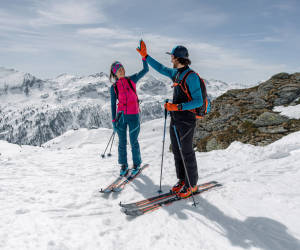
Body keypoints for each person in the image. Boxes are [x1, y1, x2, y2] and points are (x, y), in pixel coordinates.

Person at [136, 40, 205, 198]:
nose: (170, 60)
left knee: (186, 151)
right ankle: (182, 180)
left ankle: (191, 184)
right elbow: (160, 68)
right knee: (176, 150)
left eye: (172, 57)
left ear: (177, 58)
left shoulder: (191, 76)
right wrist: (146, 56)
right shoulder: (176, 73)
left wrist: (177, 107)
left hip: (187, 119)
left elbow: (198, 101)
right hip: (176, 118)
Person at [109, 58, 149, 177]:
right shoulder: (114, 87)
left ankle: (136, 164)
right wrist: (113, 121)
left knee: (133, 141)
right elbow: (112, 104)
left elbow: (146, 69)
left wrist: (143, 57)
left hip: (133, 116)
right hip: (120, 117)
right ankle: (124, 165)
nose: (121, 70)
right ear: (115, 73)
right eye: (118, 70)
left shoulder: (132, 79)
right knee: (122, 142)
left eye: (122, 68)